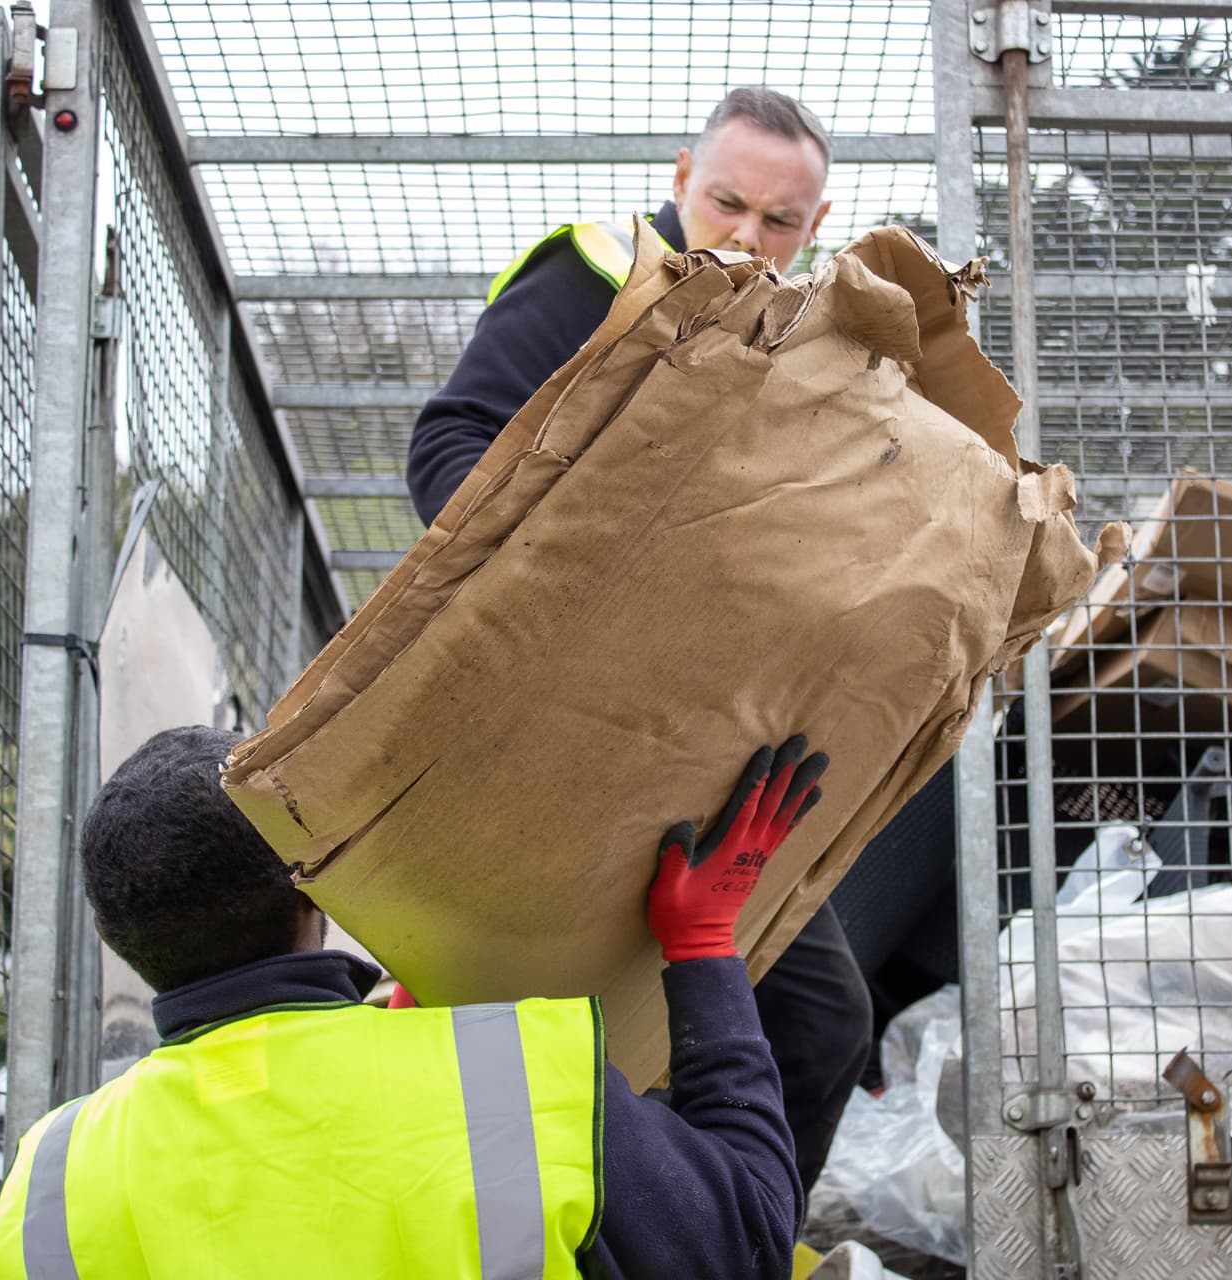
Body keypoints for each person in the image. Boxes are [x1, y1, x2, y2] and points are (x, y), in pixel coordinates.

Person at [405, 85, 871, 1195]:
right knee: (558, 1035)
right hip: (546, 727)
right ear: (678, 179)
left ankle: (724, 1243)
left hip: (705, 740)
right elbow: (449, 441)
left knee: (822, 1023)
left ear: (817, 224)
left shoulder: (802, 343)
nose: (747, 237)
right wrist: (567, 583)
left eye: (780, 221)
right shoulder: (594, 277)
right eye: (726, 203)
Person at [0, 724, 829, 1279]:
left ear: (115, 936)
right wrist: (703, 945)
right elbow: (751, 1240)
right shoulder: (511, 1085)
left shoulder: (44, 1188)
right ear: (313, 889)